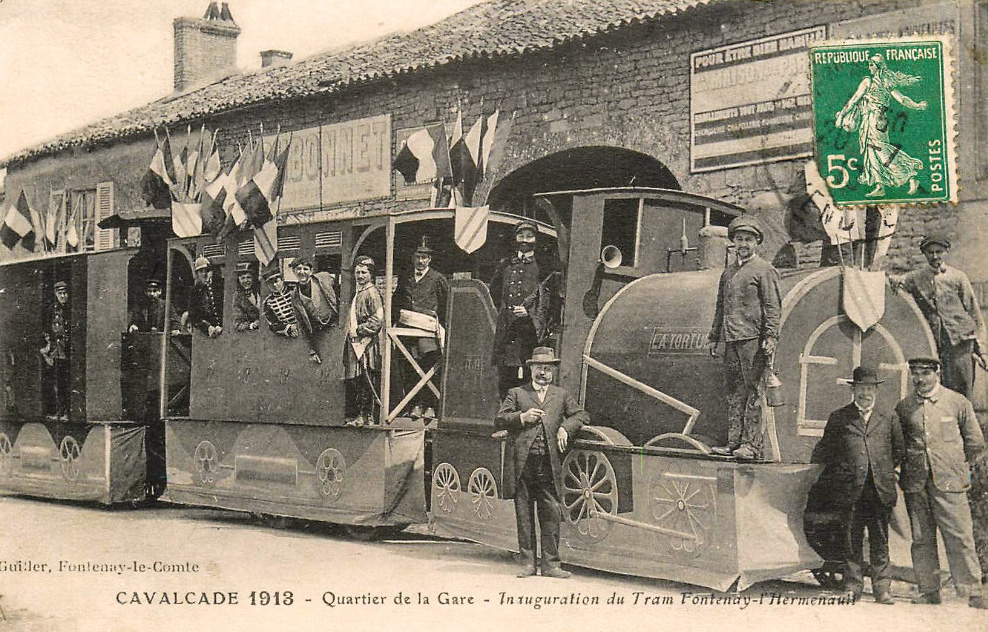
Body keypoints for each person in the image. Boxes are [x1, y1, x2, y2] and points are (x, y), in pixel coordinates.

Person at [895, 357, 987, 609]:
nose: (919, 379)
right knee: (921, 538)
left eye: (925, 373)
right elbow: (899, 444)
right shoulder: (905, 407)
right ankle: (929, 590)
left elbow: (975, 443)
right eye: (915, 373)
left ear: (937, 373)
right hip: (916, 484)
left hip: (950, 484)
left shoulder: (957, 403)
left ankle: (973, 591)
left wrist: (955, 466)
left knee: (959, 535)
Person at [810, 366, 903, 604]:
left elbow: (898, 451)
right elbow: (824, 451)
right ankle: (852, 586)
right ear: (854, 390)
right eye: (861, 388)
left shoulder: (888, 418)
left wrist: (886, 473)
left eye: (870, 389)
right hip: (850, 492)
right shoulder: (839, 418)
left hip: (879, 490)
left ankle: (882, 589)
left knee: (880, 541)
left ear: (876, 391)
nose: (866, 394)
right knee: (851, 541)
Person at [497, 347, 587, 579]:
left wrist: (565, 428)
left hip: (548, 464)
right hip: (522, 464)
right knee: (524, 514)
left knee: (551, 514)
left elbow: (581, 415)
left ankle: (551, 565)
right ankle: (527, 564)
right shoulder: (517, 393)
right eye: (539, 368)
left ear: (554, 372)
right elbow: (499, 419)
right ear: (531, 369)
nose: (543, 373)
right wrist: (521, 417)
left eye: (547, 369)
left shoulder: (561, 395)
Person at [706, 215, 782, 460]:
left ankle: (752, 445)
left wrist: (770, 336)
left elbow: (772, 306)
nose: (743, 244)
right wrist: (714, 336)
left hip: (752, 340)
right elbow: (721, 307)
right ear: (734, 242)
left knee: (754, 392)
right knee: (734, 392)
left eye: (748, 240)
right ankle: (733, 442)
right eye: (739, 239)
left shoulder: (764, 269)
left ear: (757, 242)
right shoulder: (728, 273)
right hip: (730, 340)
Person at [890, 234, 986, 398]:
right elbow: (897, 282)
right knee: (939, 388)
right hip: (935, 343)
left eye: (939, 252)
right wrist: (892, 280)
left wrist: (982, 350)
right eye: (931, 252)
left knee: (963, 389)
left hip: (961, 342)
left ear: (946, 251)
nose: (935, 256)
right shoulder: (916, 277)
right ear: (925, 253)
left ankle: (964, 422)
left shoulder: (958, 277)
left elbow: (974, 315)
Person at [834, 53, 927, 198]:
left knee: (880, 150)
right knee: (872, 151)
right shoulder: (885, 81)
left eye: (871, 65)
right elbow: (901, 98)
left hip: (873, 118)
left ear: (877, 67)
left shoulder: (868, 82)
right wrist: (917, 106)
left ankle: (909, 174)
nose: (869, 67)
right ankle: (880, 185)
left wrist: (841, 116)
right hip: (879, 120)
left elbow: (853, 101)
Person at [490, 221, 551, 399]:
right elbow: (493, 291)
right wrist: (503, 313)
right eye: (521, 236)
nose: (525, 240)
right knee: (505, 376)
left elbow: (547, 300)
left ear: (536, 240)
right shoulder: (505, 264)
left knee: (528, 375)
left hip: (528, 333)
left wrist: (530, 314)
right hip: (507, 331)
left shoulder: (542, 266)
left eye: (529, 236)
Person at [395, 237, 449, 418]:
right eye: (418, 256)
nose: (421, 261)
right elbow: (398, 301)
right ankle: (414, 405)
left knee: (429, 368)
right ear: (413, 257)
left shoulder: (438, 278)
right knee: (410, 369)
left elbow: (446, 305)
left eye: (425, 257)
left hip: (427, 333)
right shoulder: (406, 277)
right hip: (407, 332)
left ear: (430, 260)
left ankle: (430, 406)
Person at [344, 256, 384, 426]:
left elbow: (377, 320)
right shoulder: (359, 292)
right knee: (357, 380)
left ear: (370, 274)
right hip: (356, 343)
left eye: (363, 272)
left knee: (366, 380)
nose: (360, 275)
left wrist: (359, 330)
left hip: (367, 344)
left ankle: (366, 416)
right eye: (357, 272)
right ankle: (359, 415)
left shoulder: (372, 293)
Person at [291, 256, 338, 364]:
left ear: (311, 271)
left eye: (305, 269)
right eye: (298, 269)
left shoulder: (323, 278)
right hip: (319, 334)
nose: (302, 272)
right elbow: (302, 324)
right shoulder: (295, 295)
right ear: (293, 271)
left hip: (335, 325)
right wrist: (311, 350)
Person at [41, 280, 71, 421]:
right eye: (60, 294)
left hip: (66, 351)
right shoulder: (51, 310)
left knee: (65, 383)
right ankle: (58, 412)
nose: (63, 296)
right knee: (56, 383)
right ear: (55, 294)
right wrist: (46, 349)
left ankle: (64, 412)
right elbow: (46, 330)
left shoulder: (69, 309)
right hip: (55, 351)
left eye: (65, 293)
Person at [184, 255, 222, 337]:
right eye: (201, 271)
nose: (204, 274)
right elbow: (193, 315)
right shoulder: (195, 291)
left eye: (207, 271)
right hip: (208, 335)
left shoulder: (220, 286)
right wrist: (207, 327)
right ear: (197, 274)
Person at [261, 266, 300, 339]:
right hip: (290, 335)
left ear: (282, 280)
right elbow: (272, 324)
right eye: (270, 283)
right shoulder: (268, 302)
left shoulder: (296, 290)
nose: (274, 285)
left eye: (276, 281)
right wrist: (289, 328)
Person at [232, 263, 261, 332]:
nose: (246, 281)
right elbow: (237, 324)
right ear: (239, 279)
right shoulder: (237, 297)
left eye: (248, 277)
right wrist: (252, 325)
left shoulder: (260, 291)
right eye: (243, 278)